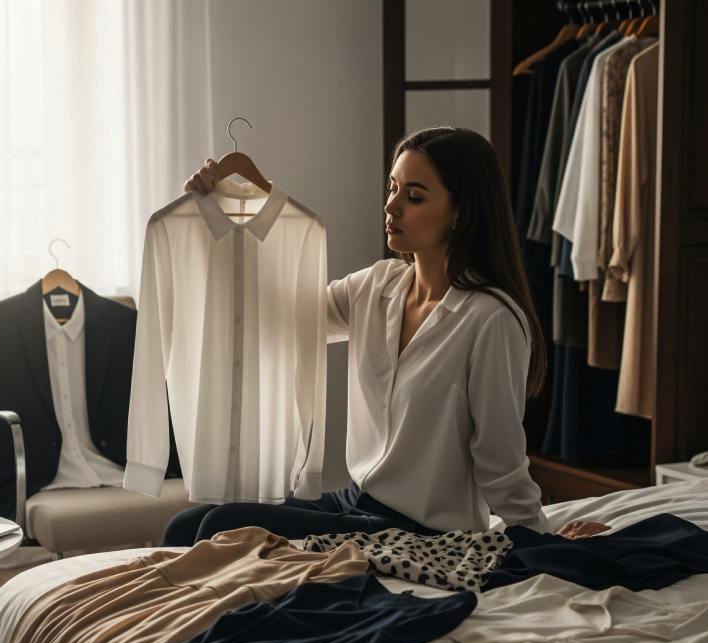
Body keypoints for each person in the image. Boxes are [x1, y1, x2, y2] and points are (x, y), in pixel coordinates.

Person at [161, 126, 609, 546]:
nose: (392, 206)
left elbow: (501, 460)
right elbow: (275, 318)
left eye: (414, 196)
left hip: (421, 531)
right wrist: (214, 222)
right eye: (393, 188)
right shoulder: (377, 285)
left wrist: (542, 540)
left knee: (218, 527)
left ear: (461, 212)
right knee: (186, 525)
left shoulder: (491, 320)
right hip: (354, 501)